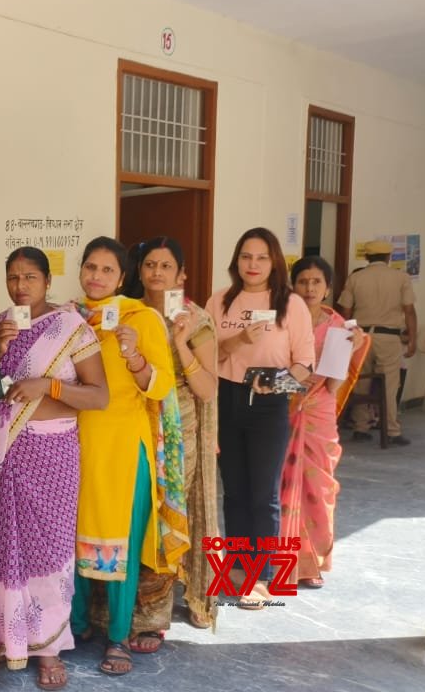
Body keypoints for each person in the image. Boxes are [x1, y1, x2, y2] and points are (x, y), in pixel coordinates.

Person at [0, 248, 107, 690]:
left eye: (30, 277)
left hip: (52, 455)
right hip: (6, 454)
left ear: (48, 281)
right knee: (3, 543)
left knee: (47, 549)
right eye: (13, 277)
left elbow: (97, 396)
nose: (20, 286)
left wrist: (47, 385)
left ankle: (48, 647)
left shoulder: (71, 327)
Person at [69, 236, 175, 677]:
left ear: (122, 277)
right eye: (90, 267)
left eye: (107, 270)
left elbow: (163, 386)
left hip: (123, 448)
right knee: (70, 540)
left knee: (120, 545)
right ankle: (72, 627)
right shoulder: (69, 318)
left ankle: (117, 637)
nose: (96, 276)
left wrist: (133, 357)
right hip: (73, 443)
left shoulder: (141, 318)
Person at [205, 228, 314, 609]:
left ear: (274, 263)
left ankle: (262, 576)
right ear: (236, 260)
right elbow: (205, 356)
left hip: (268, 403)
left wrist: (277, 382)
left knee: (262, 493)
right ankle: (235, 569)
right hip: (226, 397)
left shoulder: (290, 304)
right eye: (246, 256)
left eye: (261, 257)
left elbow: (305, 365)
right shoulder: (219, 301)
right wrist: (236, 342)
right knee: (232, 490)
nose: (253, 265)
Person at [122, 237, 221, 636]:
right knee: (140, 514)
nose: (156, 273)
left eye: (166, 266)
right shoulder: (128, 312)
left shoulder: (195, 320)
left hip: (179, 428)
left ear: (181, 273)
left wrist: (180, 342)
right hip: (135, 424)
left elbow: (208, 389)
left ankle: (154, 615)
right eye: (149, 264)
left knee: (170, 513)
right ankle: (122, 602)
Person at [282, 256, 371, 587]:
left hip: (318, 411)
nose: (309, 288)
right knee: (282, 484)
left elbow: (333, 383)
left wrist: (352, 348)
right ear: (293, 285)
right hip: (284, 407)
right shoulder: (283, 319)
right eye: (303, 281)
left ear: (328, 287)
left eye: (316, 282)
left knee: (318, 486)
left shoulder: (339, 327)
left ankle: (312, 562)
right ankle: (282, 561)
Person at [336, 239, 417, 445]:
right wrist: (412, 340)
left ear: (366, 257)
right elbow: (409, 310)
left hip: (361, 336)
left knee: (361, 381)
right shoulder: (400, 277)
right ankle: (391, 430)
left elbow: (345, 310)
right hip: (389, 337)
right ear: (388, 257)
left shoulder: (356, 278)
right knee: (389, 385)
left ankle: (360, 427)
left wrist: (349, 336)